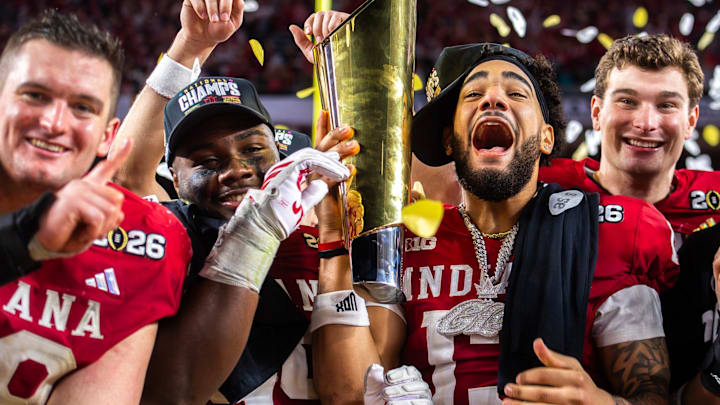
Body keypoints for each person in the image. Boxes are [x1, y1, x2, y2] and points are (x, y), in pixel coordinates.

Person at [311, 43, 678, 405]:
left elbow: (652, 395)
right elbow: (350, 394)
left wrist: (597, 403)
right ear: (450, 140)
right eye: (473, 94)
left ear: (546, 137)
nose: (494, 100)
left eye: (516, 92)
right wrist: (333, 242)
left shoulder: (612, 231)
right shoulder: (404, 244)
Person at [109, 3, 351, 404]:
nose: (236, 170)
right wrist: (191, 45)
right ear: (173, 177)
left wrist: (347, 66)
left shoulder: (334, 226)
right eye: (206, 162)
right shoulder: (173, 238)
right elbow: (127, 174)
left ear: (281, 153)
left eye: (254, 149)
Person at [0, 10, 192, 404]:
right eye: (35, 95)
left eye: (83, 107)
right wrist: (27, 241)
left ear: (107, 138)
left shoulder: (142, 239)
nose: (54, 122)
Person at [537, 34, 720, 403]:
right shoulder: (539, 188)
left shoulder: (716, 200)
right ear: (596, 112)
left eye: (667, 105)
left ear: (691, 121)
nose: (646, 122)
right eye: (627, 101)